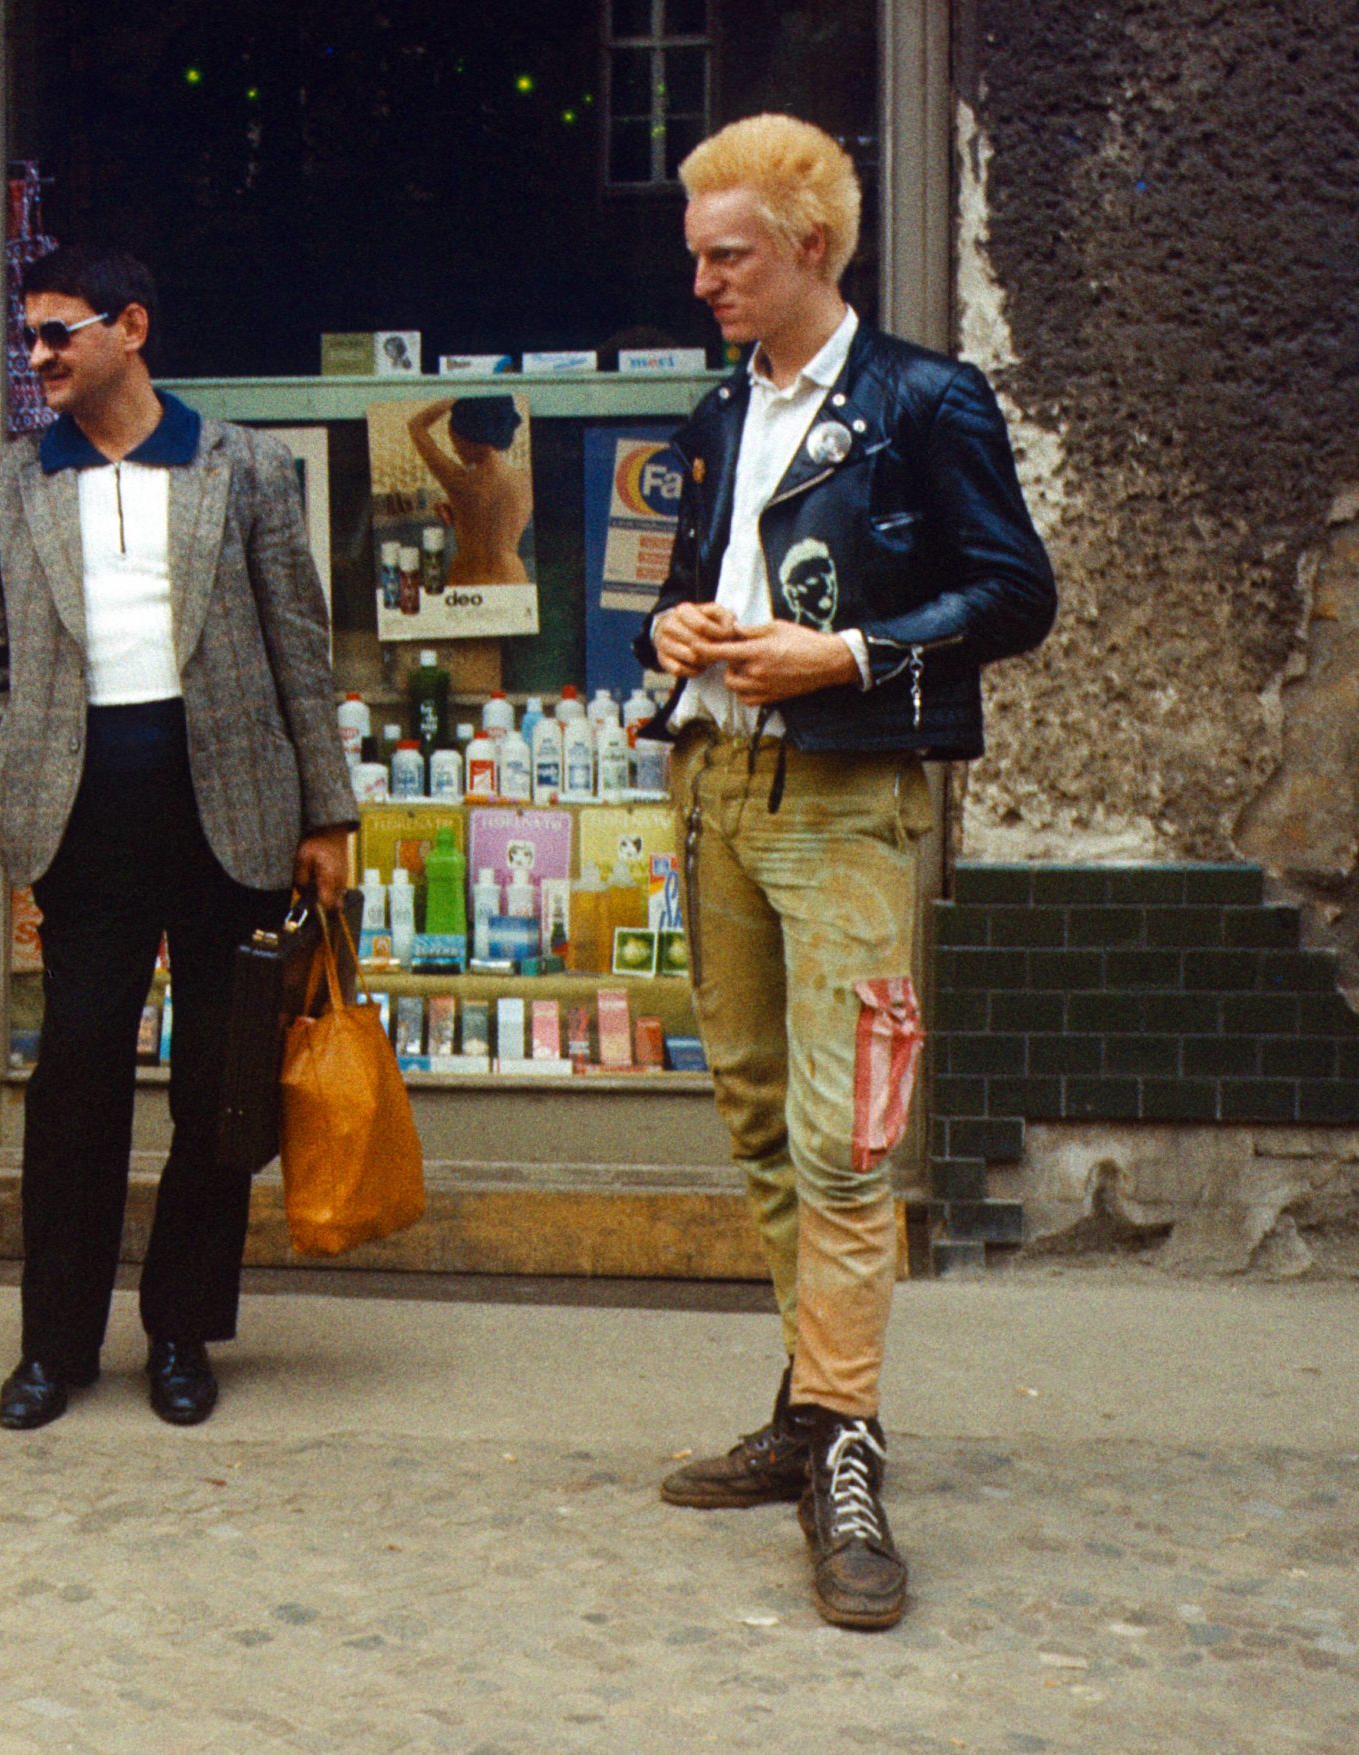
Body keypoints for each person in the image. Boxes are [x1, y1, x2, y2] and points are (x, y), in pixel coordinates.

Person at [634, 115, 1055, 1629]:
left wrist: (852, 654)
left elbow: (1018, 592)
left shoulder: (923, 400)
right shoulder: (717, 411)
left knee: (847, 1135)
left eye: (727, 253)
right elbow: (681, 587)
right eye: (696, 253)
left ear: (813, 246)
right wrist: (673, 632)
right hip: (718, 782)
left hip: (848, 796)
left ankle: (850, 1447)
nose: (702, 281)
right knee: (759, 1113)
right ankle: (815, 1405)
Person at [0, 245, 356, 1431]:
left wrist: (326, 811)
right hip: (81, 820)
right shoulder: (6, 482)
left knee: (218, 1095)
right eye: (27, 337)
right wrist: (2, 773)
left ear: (129, 326)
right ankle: (53, 1346)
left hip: (230, 810)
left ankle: (181, 1333)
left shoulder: (245, 467)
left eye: (56, 333)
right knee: (76, 1077)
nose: (38, 358)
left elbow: (299, 645)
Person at [405, 397, 532, 584]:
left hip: (469, 580)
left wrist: (456, 395)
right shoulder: (525, 480)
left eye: (455, 443)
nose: (456, 451)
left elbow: (416, 426)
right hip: (512, 579)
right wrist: (460, 510)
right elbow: (493, 513)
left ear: (469, 438)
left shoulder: (459, 481)